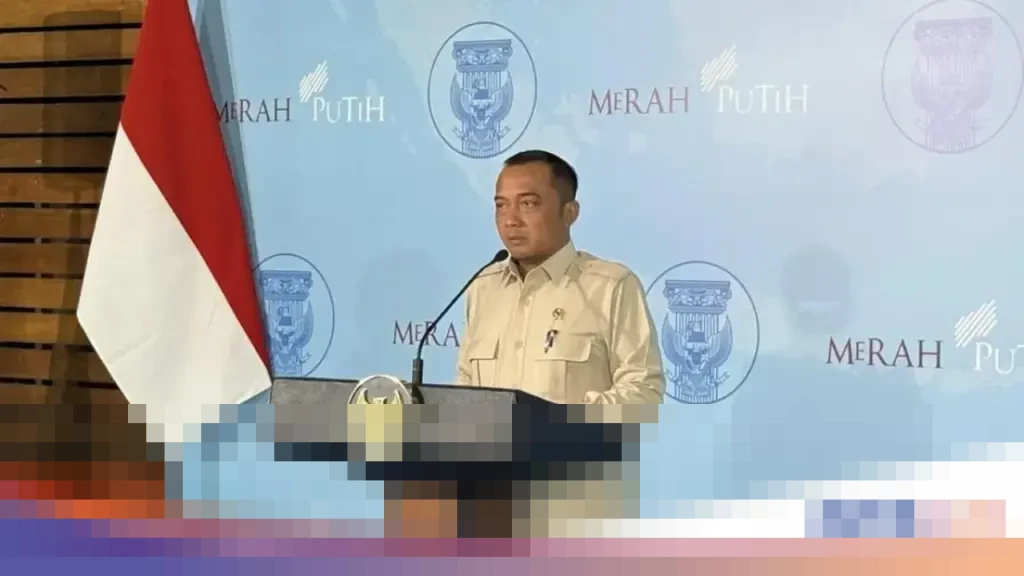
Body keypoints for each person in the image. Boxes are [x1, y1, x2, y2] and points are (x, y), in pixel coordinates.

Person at [454, 150, 665, 404]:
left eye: (528, 204)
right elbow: (465, 382)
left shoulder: (611, 286)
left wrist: (565, 421)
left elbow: (644, 392)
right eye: (501, 205)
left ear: (569, 213)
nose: (511, 220)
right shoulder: (483, 286)